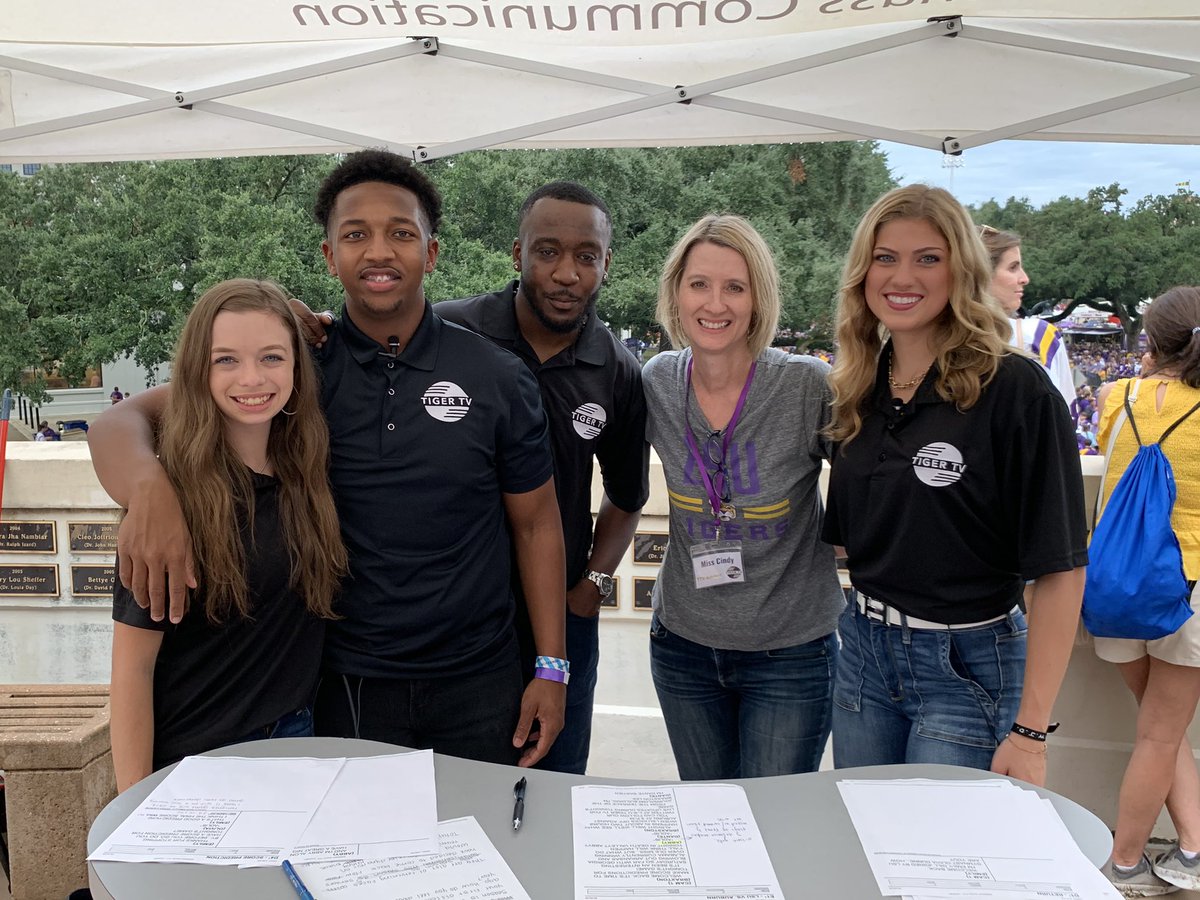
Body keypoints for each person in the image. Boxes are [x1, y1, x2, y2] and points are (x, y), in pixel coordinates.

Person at [88, 150, 567, 767]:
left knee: (481, 829)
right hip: (345, 687)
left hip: (479, 679)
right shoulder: (294, 368)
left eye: (401, 234)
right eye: (355, 234)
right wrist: (149, 488)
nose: (379, 251)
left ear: (431, 252)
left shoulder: (497, 376)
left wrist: (552, 667)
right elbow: (121, 420)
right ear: (328, 255)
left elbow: (537, 524)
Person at [823, 185, 1087, 786]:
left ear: (961, 269)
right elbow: (854, 538)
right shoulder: (857, 388)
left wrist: (1031, 731)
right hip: (862, 653)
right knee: (865, 831)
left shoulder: (1016, 390)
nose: (902, 277)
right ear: (864, 273)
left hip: (968, 667)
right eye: (885, 258)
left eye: (928, 258)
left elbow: (1062, 569)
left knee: (941, 845)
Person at [434, 182, 649, 775]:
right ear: (518, 253)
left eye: (586, 256)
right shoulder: (449, 332)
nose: (566, 273)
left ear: (606, 263)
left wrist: (592, 587)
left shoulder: (618, 370)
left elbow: (628, 496)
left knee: (554, 783)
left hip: (561, 620)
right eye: (547, 251)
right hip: (459, 613)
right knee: (462, 785)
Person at [106, 278, 347, 792]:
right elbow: (132, 670)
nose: (252, 378)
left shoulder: (307, 473)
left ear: (298, 365)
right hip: (195, 763)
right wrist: (133, 807)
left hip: (297, 740)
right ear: (199, 369)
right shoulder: (169, 504)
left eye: (272, 357)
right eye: (226, 360)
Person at [642, 214, 843, 780]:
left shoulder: (805, 385)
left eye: (735, 286)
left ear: (759, 299)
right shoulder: (657, 381)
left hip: (791, 655)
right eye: (699, 284)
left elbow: (878, 484)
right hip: (683, 647)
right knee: (709, 815)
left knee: (774, 818)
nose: (715, 304)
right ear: (676, 293)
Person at [1093, 286, 1200, 896]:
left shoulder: (1118, 396)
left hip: (1116, 586)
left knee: (1162, 730)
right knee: (1161, 734)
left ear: (1152, 342)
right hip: (1186, 588)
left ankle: (1192, 848)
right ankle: (1126, 863)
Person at [979, 225, 1075, 407]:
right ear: (981, 274)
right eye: (1013, 267)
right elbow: (1066, 413)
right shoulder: (1037, 335)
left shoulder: (928, 337)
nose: (1024, 278)